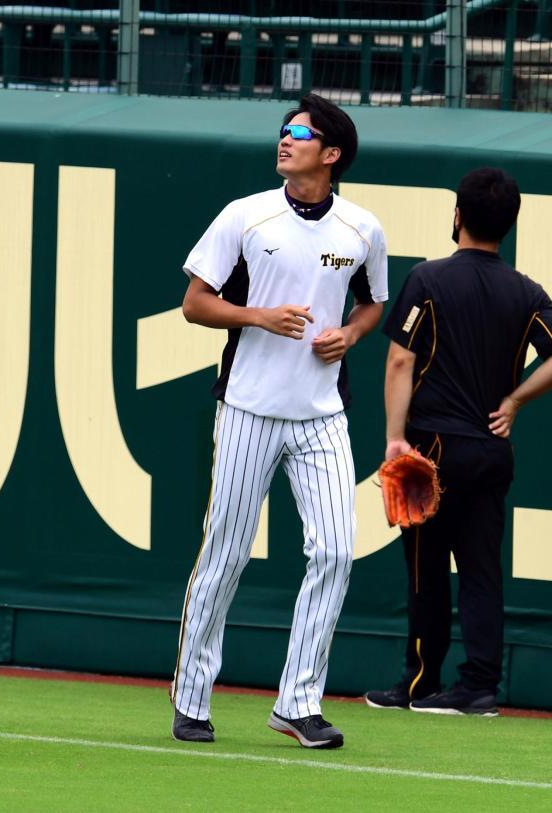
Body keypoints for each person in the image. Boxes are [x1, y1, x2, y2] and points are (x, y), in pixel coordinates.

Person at [170, 94, 388, 749]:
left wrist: (350, 332)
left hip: (323, 414)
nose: (286, 139)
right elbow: (194, 303)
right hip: (247, 409)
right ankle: (192, 698)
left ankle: (298, 702)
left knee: (336, 550)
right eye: (285, 130)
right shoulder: (245, 215)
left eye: (301, 133)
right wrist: (258, 315)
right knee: (225, 553)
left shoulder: (361, 228)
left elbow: (374, 302)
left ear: (332, 154)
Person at [365, 167, 552, 716]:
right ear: (510, 224)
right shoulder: (527, 291)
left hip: (434, 449)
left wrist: (395, 438)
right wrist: (514, 402)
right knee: (481, 568)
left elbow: (401, 358)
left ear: (458, 216)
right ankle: (478, 686)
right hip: (492, 451)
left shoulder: (428, 278)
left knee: (426, 568)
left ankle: (421, 681)